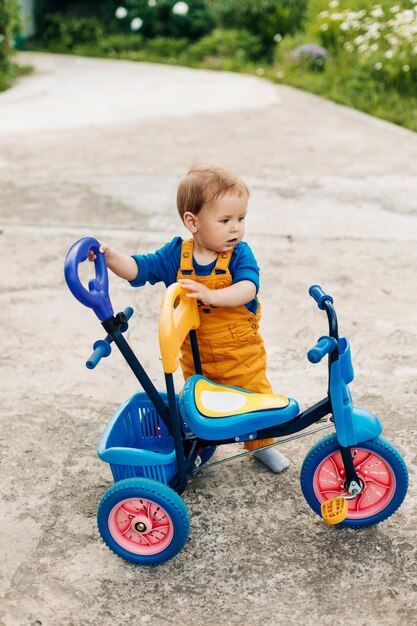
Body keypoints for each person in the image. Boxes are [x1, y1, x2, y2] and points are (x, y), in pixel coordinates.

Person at [89, 164, 289, 473]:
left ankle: (261, 445)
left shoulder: (239, 255)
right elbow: (139, 269)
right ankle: (202, 446)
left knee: (256, 401)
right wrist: (111, 257)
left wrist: (214, 296)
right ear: (192, 222)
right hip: (196, 358)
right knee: (200, 404)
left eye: (241, 218)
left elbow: (248, 288)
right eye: (224, 220)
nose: (235, 228)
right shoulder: (175, 256)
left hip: (241, 355)